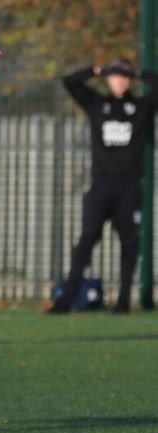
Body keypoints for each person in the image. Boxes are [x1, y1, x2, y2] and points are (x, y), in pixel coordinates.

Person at [49, 59, 158, 314]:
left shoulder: (140, 107)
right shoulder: (97, 104)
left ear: (130, 79)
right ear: (107, 79)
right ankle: (65, 301)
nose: (119, 80)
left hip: (130, 185)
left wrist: (140, 72)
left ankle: (122, 301)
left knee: (129, 243)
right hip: (100, 184)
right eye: (115, 75)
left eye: (124, 76)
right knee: (86, 239)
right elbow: (70, 82)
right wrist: (95, 70)